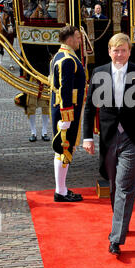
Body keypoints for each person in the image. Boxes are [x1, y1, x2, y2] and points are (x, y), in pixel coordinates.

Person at [83, 33, 135, 255]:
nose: (119, 54)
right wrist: (87, 138)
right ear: (109, 52)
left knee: (125, 187)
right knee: (114, 184)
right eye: (116, 50)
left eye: (123, 50)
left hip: (132, 138)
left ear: (129, 51)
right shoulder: (99, 73)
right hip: (108, 138)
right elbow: (89, 109)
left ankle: (116, 237)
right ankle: (121, 221)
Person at [49, 25, 86, 202]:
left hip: (65, 108)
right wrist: (66, 117)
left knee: (64, 148)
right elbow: (65, 89)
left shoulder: (61, 55)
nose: (80, 41)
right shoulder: (67, 59)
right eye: (78, 37)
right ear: (70, 39)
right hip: (67, 110)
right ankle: (61, 191)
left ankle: (61, 188)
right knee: (64, 148)